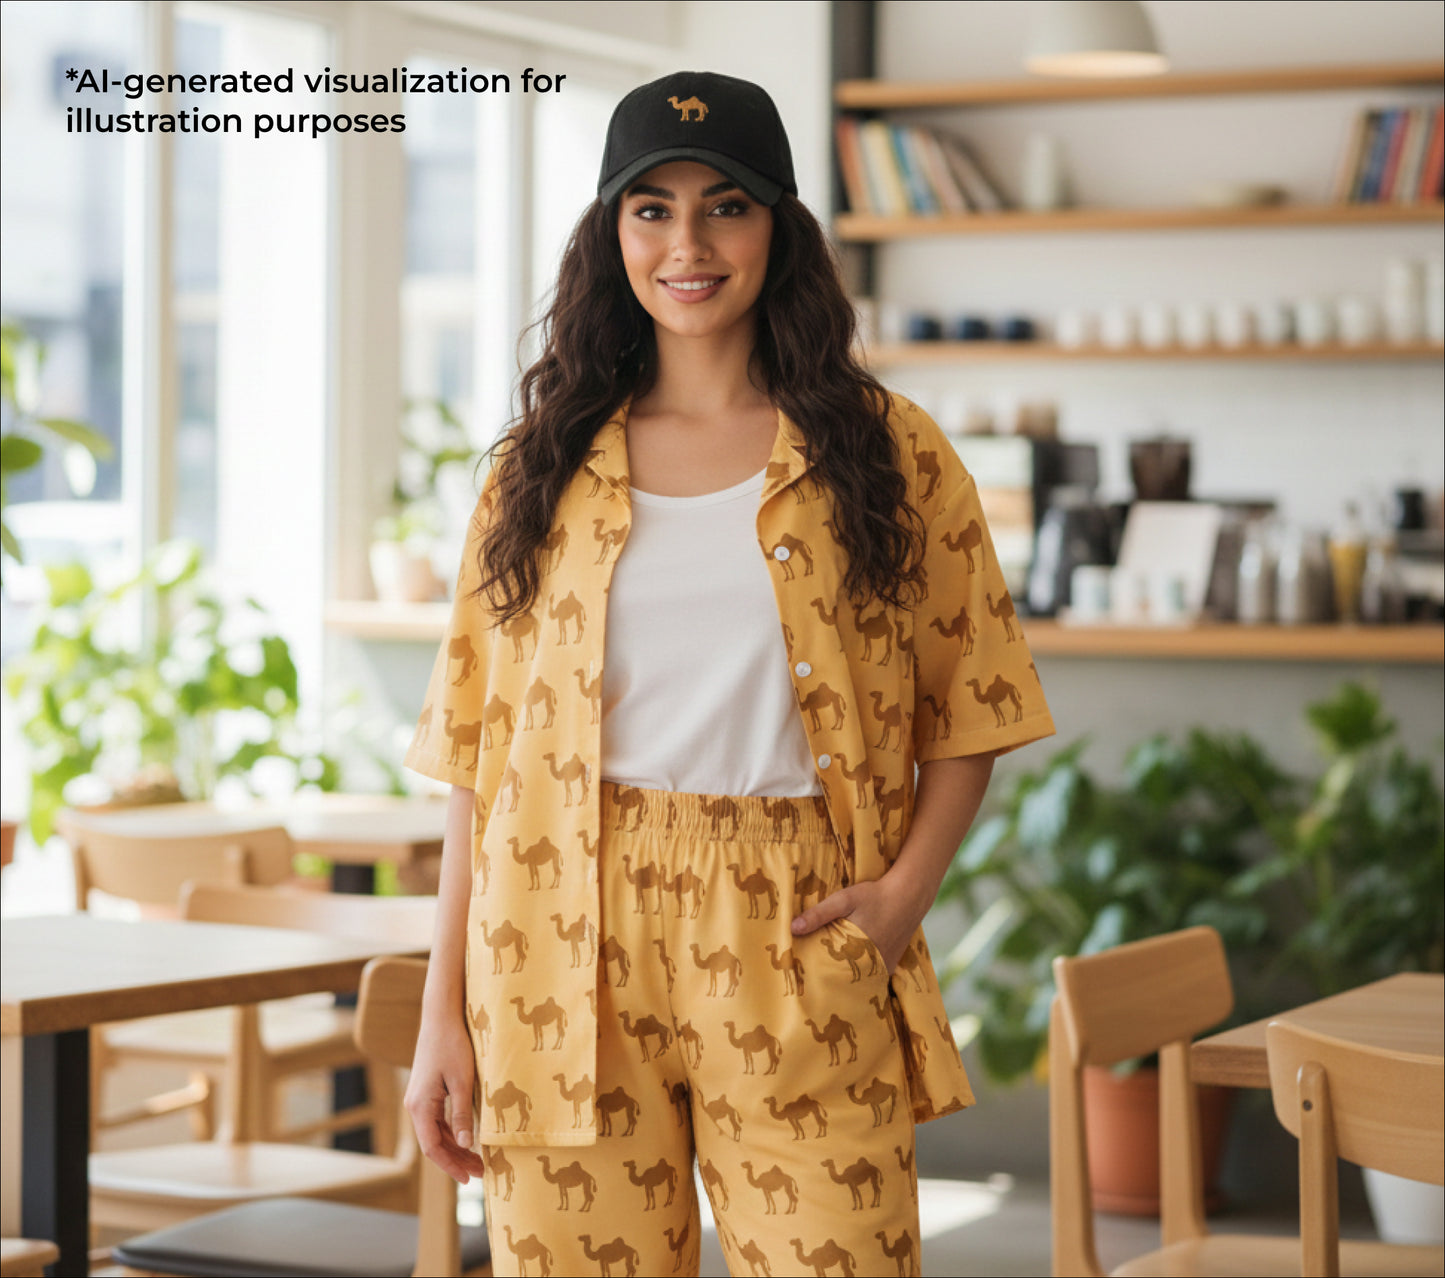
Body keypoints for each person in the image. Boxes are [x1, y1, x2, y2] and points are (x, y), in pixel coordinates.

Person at [403, 70, 1055, 1277]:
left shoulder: (889, 451)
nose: (686, 244)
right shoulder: (534, 470)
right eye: (650, 209)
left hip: (800, 920)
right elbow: (474, 762)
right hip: (557, 932)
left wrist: (906, 894)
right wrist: (444, 1011)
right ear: (610, 235)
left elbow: (976, 703)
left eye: (725, 206)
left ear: (779, 230)